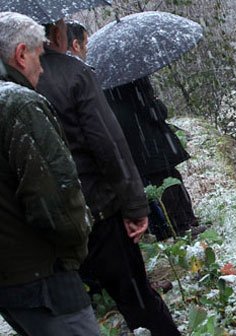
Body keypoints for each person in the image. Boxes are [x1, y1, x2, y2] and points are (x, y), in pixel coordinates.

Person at [35, 19, 180, 335]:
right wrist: (134, 206)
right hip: (97, 209)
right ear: (59, 32)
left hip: (47, 220)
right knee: (137, 297)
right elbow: (108, 145)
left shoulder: (12, 86)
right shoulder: (72, 74)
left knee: (75, 309)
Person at [0, 12, 99, 335]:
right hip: (44, 276)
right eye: (39, 57)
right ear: (21, 54)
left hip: (10, 282)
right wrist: (79, 240)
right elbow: (55, 198)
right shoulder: (20, 106)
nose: (42, 68)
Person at [104, 76, 200, 241]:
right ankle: (182, 226)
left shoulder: (105, 86)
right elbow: (155, 112)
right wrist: (157, 102)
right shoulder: (134, 79)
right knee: (169, 182)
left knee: (149, 187)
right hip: (152, 145)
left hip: (132, 147)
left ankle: (162, 228)